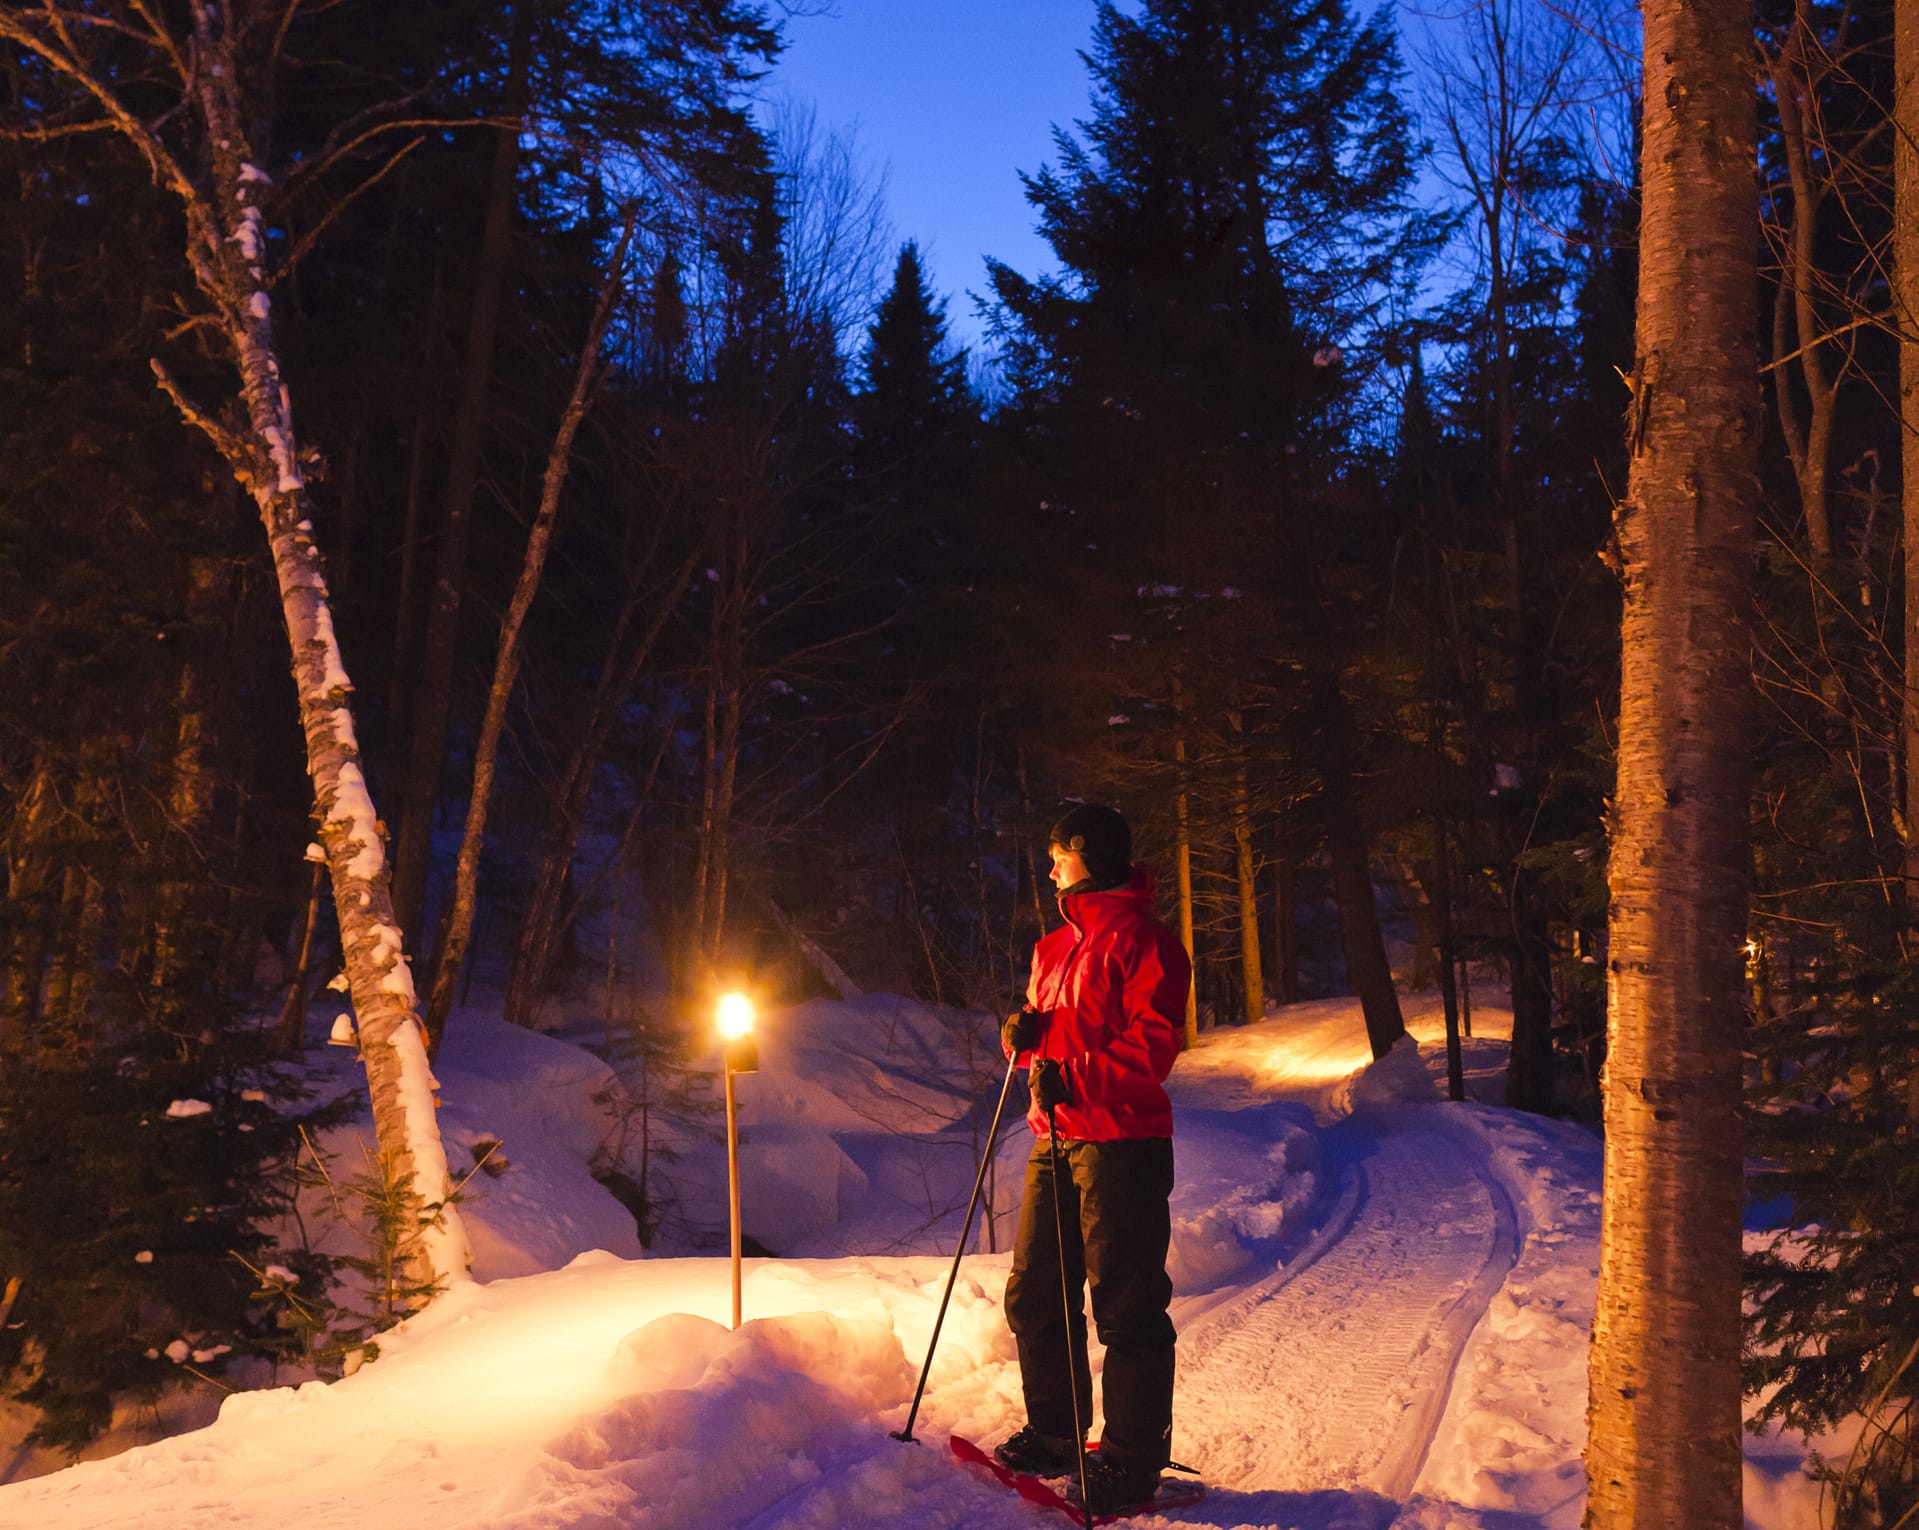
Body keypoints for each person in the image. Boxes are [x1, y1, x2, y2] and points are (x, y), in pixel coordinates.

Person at [992, 801, 1192, 1516]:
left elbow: (1154, 1046)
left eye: (1058, 855)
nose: (1049, 868)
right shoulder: (1053, 948)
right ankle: (1055, 1433)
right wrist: (1023, 1037)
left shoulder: (1146, 942)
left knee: (1125, 1305)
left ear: (1089, 855)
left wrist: (1073, 1074)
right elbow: (1043, 1055)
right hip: (1055, 1137)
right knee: (1034, 1291)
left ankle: (1132, 1464)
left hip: (1123, 1141)